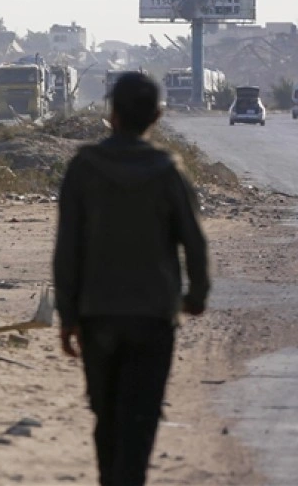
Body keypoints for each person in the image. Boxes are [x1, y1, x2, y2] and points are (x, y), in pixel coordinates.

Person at [53, 71, 211, 486]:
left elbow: (67, 249)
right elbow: (194, 242)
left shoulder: (84, 168)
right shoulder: (167, 171)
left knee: (106, 415)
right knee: (140, 420)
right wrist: (196, 295)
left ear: (112, 114)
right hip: (154, 316)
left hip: (98, 314)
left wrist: (67, 316)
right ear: (157, 116)